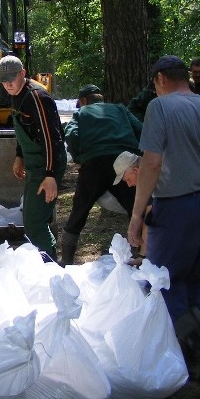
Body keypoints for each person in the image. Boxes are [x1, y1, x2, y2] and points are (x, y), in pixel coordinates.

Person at [127, 55, 200, 381]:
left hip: (173, 208)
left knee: (163, 282)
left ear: (161, 79)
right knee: (193, 284)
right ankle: (194, 358)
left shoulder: (160, 108)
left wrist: (136, 215)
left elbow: (151, 163)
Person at [60, 84, 142, 265]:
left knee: (79, 212)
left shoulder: (80, 114)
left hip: (94, 163)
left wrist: (80, 157)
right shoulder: (120, 109)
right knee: (137, 210)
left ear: (82, 101)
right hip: (125, 160)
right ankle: (142, 257)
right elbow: (140, 129)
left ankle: (66, 262)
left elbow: (71, 134)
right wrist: (137, 154)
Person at [0, 54, 67, 260]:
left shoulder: (37, 97)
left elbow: (51, 138)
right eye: (4, 81)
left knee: (35, 222)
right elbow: (24, 130)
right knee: (30, 218)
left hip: (47, 165)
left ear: (23, 74)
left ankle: (49, 263)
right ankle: (40, 261)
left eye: (12, 79)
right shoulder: (15, 95)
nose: (8, 84)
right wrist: (20, 156)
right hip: (35, 165)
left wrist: (51, 175)